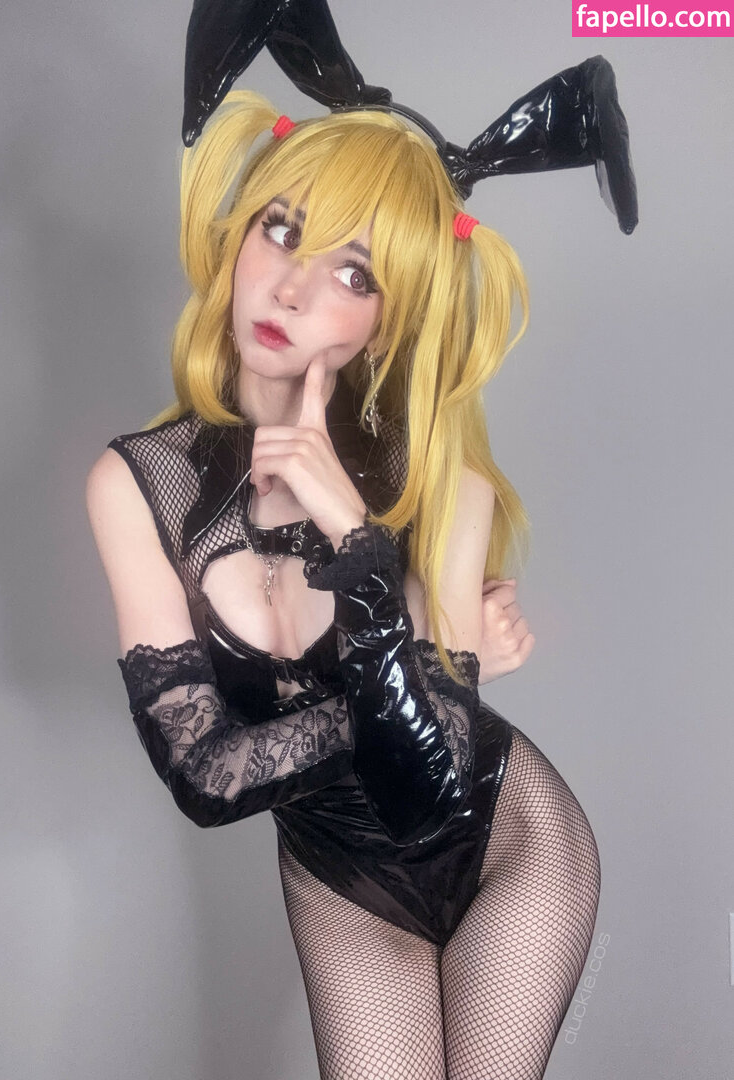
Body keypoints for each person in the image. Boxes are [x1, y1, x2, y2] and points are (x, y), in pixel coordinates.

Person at [86, 90, 601, 1079]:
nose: (290, 289)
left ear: (384, 322)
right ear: (238, 235)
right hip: (340, 878)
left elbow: (430, 780)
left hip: (507, 842)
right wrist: (428, 679)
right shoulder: (139, 486)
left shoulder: (441, 480)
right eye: (282, 230)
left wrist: (359, 547)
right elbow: (206, 777)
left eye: (351, 272)